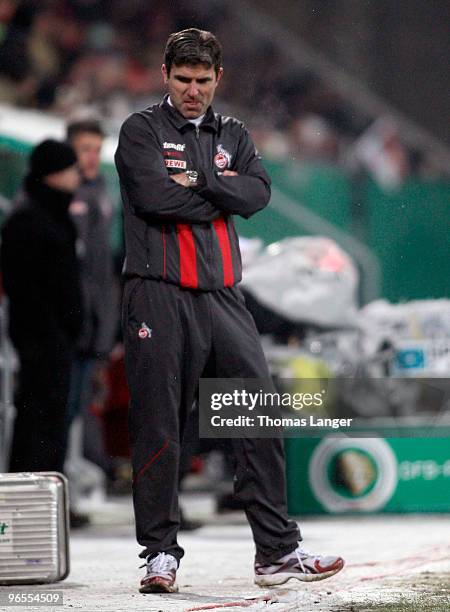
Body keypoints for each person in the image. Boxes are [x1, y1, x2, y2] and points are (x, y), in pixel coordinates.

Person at [115, 28, 345, 594]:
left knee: (256, 417)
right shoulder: (140, 130)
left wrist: (201, 180)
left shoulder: (234, 132)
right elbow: (153, 198)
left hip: (223, 294)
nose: (193, 91)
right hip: (158, 290)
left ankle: (276, 551)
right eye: (183, 79)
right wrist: (223, 189)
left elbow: (258, 195)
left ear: (219, 79)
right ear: (165, 75)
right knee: (160, 424)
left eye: (203, 81)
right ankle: (159, 554)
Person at [1, 139, 82, 473]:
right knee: (39, 421)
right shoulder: (30, 222)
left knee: (54, 421)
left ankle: (50, 493)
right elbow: (29, 289)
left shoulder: (55, 218)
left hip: (56, 340)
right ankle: (31, 497)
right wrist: (54, 332)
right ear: (55, 174)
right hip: (42, 341)